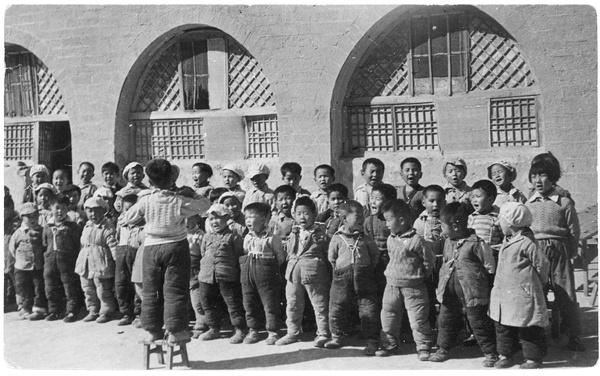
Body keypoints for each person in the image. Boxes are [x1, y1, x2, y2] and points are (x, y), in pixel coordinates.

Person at [119, 159, 210, 343]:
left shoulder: (146, 200)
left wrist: (143, 201)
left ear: (150, 181)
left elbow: (127, 217)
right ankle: (176, 332)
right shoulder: (179, 200)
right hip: (176, 247)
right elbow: (205, 205)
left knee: (151, 291)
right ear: (171, 178)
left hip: (151, 248)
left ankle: (152, 331)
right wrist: (193, 194)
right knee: (175, 291)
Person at [525, 157, 584, 351]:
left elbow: (573, 231)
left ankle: (573, 336)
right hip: (536, 252)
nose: (538, 180)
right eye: (534, 176)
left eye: (543, 175)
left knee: (565, 293)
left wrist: (572, 251)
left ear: (553, 178)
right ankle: (536, 338)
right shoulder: (528, 202)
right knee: (536, 293)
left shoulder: (564, 202)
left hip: (559, 250)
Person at [429, 202, 498, 367]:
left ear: (455, 226)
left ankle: (490, 352)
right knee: (445, 320)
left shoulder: (477, 244)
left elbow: (490, 267)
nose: (441, 229)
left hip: (472, 292)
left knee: (478, 322)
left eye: (442, 225)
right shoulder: (448, 241)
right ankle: (443, 348)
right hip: (449, 291)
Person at [489, 202, 550, 369]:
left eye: (500, 221)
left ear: (510, 223)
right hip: (504, 293)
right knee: (503, 325)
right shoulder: (508, 239)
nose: (498, 224)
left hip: (523, 293)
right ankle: (505, 354)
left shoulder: (527, 243)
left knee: (528, 325)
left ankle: (533, 358)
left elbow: (542, 264)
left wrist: (540, 281)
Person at [376, 199, 435, 360]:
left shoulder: (417, 240)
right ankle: (389, 345)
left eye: (389, 220)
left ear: (401, 220)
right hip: (392, 286)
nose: (386, 224)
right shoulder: (391, 239)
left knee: (418, 318)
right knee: (388, 316)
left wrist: (420, 275)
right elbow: (391, 257)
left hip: (414, 287)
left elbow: (429, 261)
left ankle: (423, 346)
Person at [325, 200, 380, 355]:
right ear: (344, 219)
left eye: (363, 216)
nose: (362, 219)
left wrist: (365, 268)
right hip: (341, 278)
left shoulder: (365, 238)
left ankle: (372, 340)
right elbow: (332, 257)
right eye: (358, 217)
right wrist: (342, 268)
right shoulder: (337, 238)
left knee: (368, 308)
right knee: (337, 306)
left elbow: (374, 255)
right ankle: (336, 336)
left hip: (365, 277)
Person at [276, 196, 331, 347]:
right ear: (294, 215)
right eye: (299, 213)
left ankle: (323, 333)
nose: (302, 217)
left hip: (314, 274)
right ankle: (292, 332)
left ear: (314, 214)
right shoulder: (294, 232)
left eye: (306, 213)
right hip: (293, 273)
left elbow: (328, 254)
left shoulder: (321, 234)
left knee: (319, 304)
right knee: (292, 304)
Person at [197, 203, 247, 344]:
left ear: (226, 219)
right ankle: (214, 328)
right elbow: (203, 253)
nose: (214, 222)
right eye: (211, 219)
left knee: (232, 302)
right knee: (207, 301)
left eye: (217, 218)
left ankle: (240, 329)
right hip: (206, 276)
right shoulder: (206, 237)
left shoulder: (233, 237)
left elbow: (238, 254)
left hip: (227, 275)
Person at [240, 202, 286, 345]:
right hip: (249, 275)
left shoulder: (273, 238)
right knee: (249, 302)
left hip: (267, 275)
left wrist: (267, 267)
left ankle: (273, 331)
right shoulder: (247, 237)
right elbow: (245, 252)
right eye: (246, 217)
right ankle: (253, 330)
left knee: (270, 303)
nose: (248, 220)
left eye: (252, 217)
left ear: (263, 219)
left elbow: (280, 257)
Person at [75, 197, 118, 324]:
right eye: (90, 211)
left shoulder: (108, 228)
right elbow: (82, 244)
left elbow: (113, 246)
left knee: (103, 289)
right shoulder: (87, 226)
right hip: (86, 262)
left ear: (103, 211)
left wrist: (116, 261)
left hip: (101, 262)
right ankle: (92, 309)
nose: (93, 214)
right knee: (88, 288)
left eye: (96, 211)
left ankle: (106, 311)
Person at [42, 194, 82, 322]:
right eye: (57, 208)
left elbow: (77, 245)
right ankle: (54, 310)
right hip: (50, 260)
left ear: (68, 208)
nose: (60, 211)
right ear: (51, 208)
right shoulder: (47, 227)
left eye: (63, 208)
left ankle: (71, 311)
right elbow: (44, 244)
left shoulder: (73, 227)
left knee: (69, 285)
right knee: (50, 285)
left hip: (67, 261)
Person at [413, 184, 446, 329]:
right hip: (427, 264)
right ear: (423, 202)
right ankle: (429, 326)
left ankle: (446, 327)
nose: (435, 205)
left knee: (445, 295)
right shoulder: (420, 221)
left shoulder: (447, 220)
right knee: (428, 296)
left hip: (444, 263)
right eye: (431, 201)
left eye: (439, 201)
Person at [9, 203, 47, 320]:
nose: (32, 219)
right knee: (24, 287)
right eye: (28, 216)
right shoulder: (18, 233)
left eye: (35, 215)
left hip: (37, 265)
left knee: (38, 287)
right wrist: (20, 260)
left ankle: (38, 308)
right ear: (22, 217)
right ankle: (26, 307)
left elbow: (45, 246)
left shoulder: (42, 231)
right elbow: (12, 248)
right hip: (22, 266)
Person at [364, 183, 396, 307]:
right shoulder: (369, 220)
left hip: (390, 259)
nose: (373, 202)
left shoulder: (393, 220)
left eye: (378, 199)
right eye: (371, 198)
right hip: (375, 261)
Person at [114, 194, 144, 326]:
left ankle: (139, 314)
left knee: (138, 286)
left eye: (134, 210)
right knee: (121, 285)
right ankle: (126, 313)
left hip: (136, 258)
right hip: (121, 257)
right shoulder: (120, 224)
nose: (130, 214)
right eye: (127, 210)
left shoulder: (143, 227)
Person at [468, 180, 504, 252]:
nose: (474, 200)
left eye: (478, 196)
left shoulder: (497, 217)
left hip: (492, 255)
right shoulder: (471, 217)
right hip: (475, 255)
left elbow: (504, 238)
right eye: (472, 197)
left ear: (490, 199)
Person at [186, 214, 206, 338]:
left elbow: (203, 253)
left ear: (196, 219)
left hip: (195, 267)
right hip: (182, 267)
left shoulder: (199, 235)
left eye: (189, 219)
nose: (185, 222)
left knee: (196, 298)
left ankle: (201, 323)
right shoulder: (180, 233)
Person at [4, 192, 21, 310]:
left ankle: (21, 303)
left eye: (5, 209)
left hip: (12, 255)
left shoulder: (16, 222)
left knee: (16, 279)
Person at [397, 157, 426, 224]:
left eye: (415, 170)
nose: (411, 173)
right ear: (401, 174)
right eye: (407, 170)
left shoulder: (424, 192)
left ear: (420, 174)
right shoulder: (397, 192)